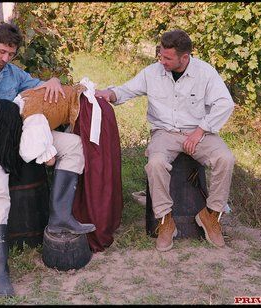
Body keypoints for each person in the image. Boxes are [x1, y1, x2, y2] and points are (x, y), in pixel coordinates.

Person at [0, 23, 94, 297]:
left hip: (19, 134)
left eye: (11, 54)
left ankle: (60, 216)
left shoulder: (16, 73)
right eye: (1, 52)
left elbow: (40, 87)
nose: (5, 59)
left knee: (73, 145)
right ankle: (0, 271)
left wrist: (52, 82)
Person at [95, 29, 235, 252]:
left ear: (185, 57)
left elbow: (225, 104)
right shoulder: (152, 72)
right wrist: (107, 94)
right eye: (160, 55)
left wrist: (200, 131)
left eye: (168, 58)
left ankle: (210, 216)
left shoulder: (205, 73)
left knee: (225, 159)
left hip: (198, 132)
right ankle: (165, 220)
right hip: (164, 133)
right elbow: (126, 90)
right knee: (155, 164)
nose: (162, 61)